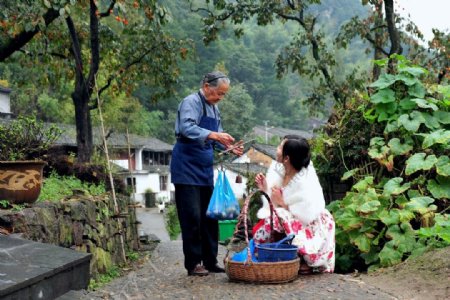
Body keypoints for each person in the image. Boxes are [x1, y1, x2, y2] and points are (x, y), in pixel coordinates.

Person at [170, 71, 243, 276]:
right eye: (218, 93)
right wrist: (214, 134)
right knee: (191, 216)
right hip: (186, 166)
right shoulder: (191, 102)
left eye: (223, 95)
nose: (220, 97)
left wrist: (228, 147)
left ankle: (210, 260)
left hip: (204, 169)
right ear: (206, 86)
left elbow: (215, 139)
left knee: (210, 217)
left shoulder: (214, 109)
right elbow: (187, 128)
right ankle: (193, 263)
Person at [253, 135, 335, 274]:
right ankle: (272, 253)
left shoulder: (305, 180)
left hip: (311, 222)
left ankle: (303, 259)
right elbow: (272, 202)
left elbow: (306, 213)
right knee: (276, 216)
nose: (277, 149)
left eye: (280, 147)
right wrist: (265, 188)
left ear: (287, 158)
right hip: (289, 217)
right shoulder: (278, 169)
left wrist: (282, 203)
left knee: (279, 215)